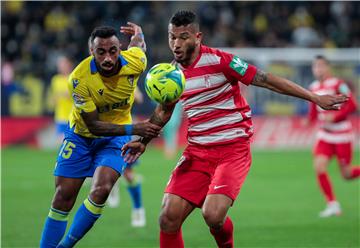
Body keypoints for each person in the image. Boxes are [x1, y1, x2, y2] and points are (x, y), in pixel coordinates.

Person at [121, 11, 349, 248]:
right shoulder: (172, 73)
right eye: (172, 37)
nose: (176, 44)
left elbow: (266, 79)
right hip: (197, 151)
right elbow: (163, 111)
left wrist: (314, 97)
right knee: (168, 217)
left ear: (198, 37)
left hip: (232, 150)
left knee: (212, 215)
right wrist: (143, 140)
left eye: (183, 37)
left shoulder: (222, 61)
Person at [39, 23, 161, 248]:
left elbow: (139, 46)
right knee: (63, 197)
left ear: (120, 49)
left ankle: (64, 246)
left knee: (102, 188)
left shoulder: (136, 62)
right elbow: (94, 126)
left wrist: (140, 32)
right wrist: (135, 129)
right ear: (91, 52)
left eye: (113, 51)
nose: (107, 58)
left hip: (115, 139)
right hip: (82, 136)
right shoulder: (79, 78)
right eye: (101, 52)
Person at [306, 55, 359, 217]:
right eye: (315, 66)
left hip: (342, 134)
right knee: (319, 167)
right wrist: (309, 121)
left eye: (321, 66)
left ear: (328, 68)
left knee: (347, 174)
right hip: (325, 135)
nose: (318, 69)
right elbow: (314, 107)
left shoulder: (338, 84)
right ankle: (332, 204)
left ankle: (333, 204)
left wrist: (335, 117)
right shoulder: (313, 86)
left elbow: (352, 104)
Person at [107, 87, 147, 228]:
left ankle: (138, 208)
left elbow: (139, 98)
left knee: (129, 175)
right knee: (103, 169)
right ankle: (112, 185)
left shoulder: (127, 80)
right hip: (104, 130)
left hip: (125, 131)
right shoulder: (99, 80)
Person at [49, 55, 74, 142]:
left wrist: (69, 95)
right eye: (59, 65)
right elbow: (54, 96)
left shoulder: (74, 78)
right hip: (60, 116)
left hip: (73, 116)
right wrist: (53, 100)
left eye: (63, 64)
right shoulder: (55, 80)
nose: (61, 67)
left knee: (72, 142)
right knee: (62, 142)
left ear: (69, 64)